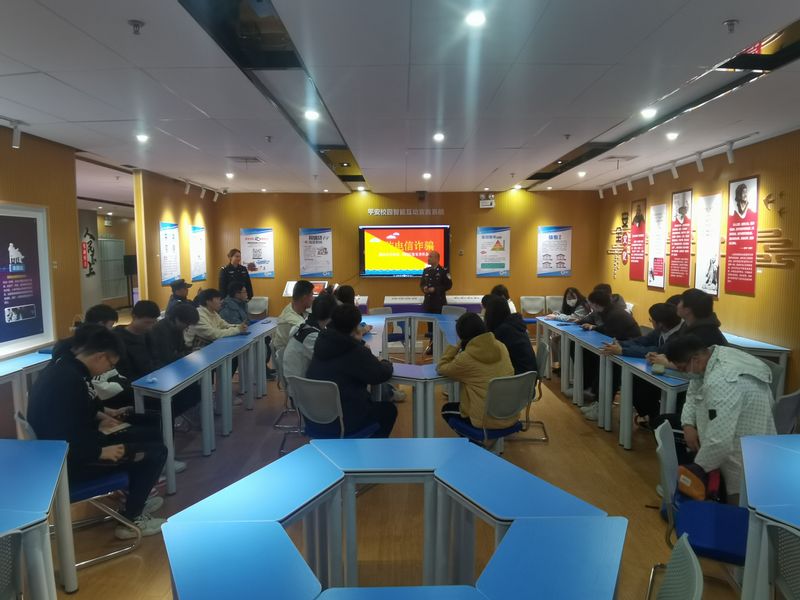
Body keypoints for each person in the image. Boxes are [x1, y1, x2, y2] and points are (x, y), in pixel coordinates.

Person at [27, 327, 167, 538]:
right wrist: (100, 452)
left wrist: (100, 415)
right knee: (155, 453)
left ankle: (135, 498)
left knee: (147, 432)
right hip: (71, 464)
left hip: (65, 453)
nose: (107, 370)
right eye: (110, 364)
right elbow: (62, 435)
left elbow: (73, 412)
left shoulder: (64, 367)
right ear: (100, 356)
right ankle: (131, 519)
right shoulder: (70, 381)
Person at [665, 334, 776, 502]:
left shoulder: (723, 379)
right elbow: (693, 393)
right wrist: (687, 424)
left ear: (695, 359)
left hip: (744, 452)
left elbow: (720, 441)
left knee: (735, 505)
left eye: (682, 368)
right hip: (742, 437)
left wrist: (695, 472)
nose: (683, 373)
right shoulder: (713, 356)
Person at [306, 304, 397, 438]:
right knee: (389, 411)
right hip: (344, 422)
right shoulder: (354, 351)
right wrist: (386, 363)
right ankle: (368, 447)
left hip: (314, 420)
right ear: (355, 327)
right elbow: (380, 374)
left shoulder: (321, 342)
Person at [601, 303, 682, 428]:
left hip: (674, 377)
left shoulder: (679, 335)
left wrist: (623, 351)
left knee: (637, 385)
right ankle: (651, 417)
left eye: (651, 319)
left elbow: (657, 350)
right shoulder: (662, 330)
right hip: (657, 369)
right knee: (634, 382)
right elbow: (643, 341)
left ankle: (656, 420)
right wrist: (621, 344)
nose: (651, 322)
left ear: (660, 323)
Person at [438, 312, 515, 431]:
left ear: (462, 335)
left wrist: (456, 345)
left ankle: (474, 440)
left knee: (446, 410)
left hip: (484, 419)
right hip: (510, 414)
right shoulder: (501, 346)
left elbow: (441, 367)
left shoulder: (466, 358)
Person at [579, 289, 640, 421]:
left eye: (590, 303)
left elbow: (611, 332)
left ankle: (602, 407)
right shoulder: (610, 311)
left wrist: (594, 328)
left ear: (596, 304)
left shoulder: (615, 314)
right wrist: (593, 327)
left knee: (610, 371)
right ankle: (598, 402)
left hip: (628, 350)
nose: (590, 306)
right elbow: (607, 328)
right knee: (600, 365)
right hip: (621, 346)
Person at [647, 288, 727, 368]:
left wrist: (667, 363)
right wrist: (661, 356)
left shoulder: (705, 333)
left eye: (680, 302)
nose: (677, 306)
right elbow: (677, 350)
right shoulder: (688, 326)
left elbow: (696, 366)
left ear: (687, 310)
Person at [283, 292, 337, 381]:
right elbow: (328, 361)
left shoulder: (305, 324)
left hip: (297, 378)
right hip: (300, 384)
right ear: (332, 315)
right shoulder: (311, 336)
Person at [483, 295, 536, 375]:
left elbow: (489, 356)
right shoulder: (513, 324)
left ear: (491, 313)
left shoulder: (503, 331)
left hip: (518, 377)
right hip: (529, 375)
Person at [148, 303, 199, 369]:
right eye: (187, 324)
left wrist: (191, 350)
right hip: (162, 368)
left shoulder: (177, 327)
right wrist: (187, 353)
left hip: (172, 364)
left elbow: (181, 348)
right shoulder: (160, 330)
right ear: (177, 319)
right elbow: (167, 358)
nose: (187, 327)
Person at [420, 251, 452, 354]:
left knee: (439, 326)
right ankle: (432, 347)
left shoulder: (443, 271)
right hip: (428, 303)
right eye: (428, 256)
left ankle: (441, 347)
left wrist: (436, 289)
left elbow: (448, 285)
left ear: (437, 259)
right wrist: (424, 288)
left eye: (430, 256)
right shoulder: (426, 270)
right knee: (430, 327)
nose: (428, 258)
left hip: (439, 304)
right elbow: (422, 284)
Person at [274, 280, 314, 353]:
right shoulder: (291, 322)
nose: (313, 299)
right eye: (311, 295)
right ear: (304, 298)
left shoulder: (295, 307)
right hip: (289, 356)